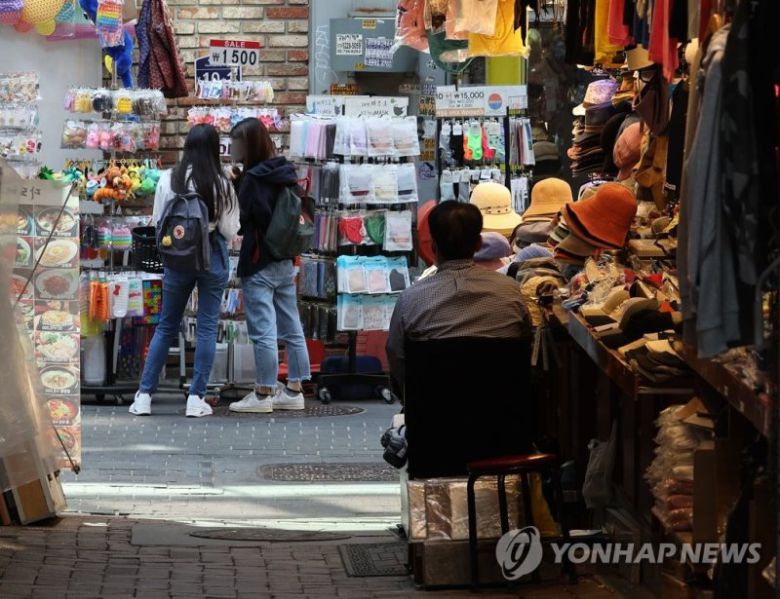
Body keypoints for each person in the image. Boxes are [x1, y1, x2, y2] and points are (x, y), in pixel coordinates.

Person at [130, 124, 239, 418]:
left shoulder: (169, 178)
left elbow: (157, 220)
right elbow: (230, 230)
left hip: (176, 257)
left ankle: (143, 396)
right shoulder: (221, 182)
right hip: (211, 255)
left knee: (166, 326)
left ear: (187, 146)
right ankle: (196, 398)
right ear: (215, 149)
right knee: (205, 327)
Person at [387, 202, 531, 390]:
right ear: (479, 243)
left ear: (433, 247)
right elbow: (526, 342)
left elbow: (396, 357)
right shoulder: (510, 291)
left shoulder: (410, 300)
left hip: (432, 414)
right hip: (501, 413)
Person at [227, 117, 311, 414]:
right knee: (290, 325)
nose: (232, 147)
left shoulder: (253, 179)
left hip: (259, 259)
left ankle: (263, 393)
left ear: (248, 145)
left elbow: (249, 217)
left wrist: (238, 187)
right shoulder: (284, 172)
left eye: (236, 143)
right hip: (284, 258)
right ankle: (295, 389)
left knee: (262, 329)